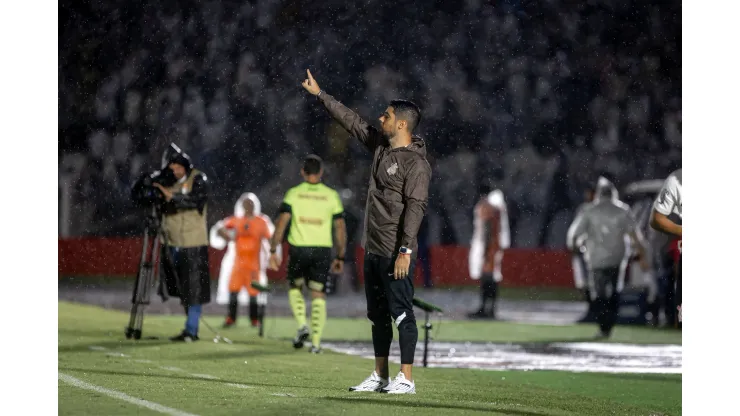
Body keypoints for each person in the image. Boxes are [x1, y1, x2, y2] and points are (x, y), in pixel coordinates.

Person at [302, 69, 431, 394]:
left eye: (386, 115)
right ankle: (380, 375)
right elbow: (352, 121)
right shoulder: (380, 146)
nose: (380, 118)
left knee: (401, 313)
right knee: (377, 316)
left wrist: (406, 250)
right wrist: (321, 95)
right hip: (373, 247)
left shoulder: (416, 165)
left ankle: (407, 379)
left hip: (395, 251)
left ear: (401, 124)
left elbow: (416, 208)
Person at [268, 155, 346, 354]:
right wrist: (340, 256)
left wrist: (273, 249)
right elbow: (339, 227)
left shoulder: (293, 194)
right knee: (318, 294)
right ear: (321, 173)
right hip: (321, 250)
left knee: (295, 286)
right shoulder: (331, 196)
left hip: (299, 248)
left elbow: (282, 223)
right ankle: (316, 343)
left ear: (302, 172)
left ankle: (302, 324)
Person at [566, 176, 649, 338]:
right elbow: (635, 235)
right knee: (615, 290)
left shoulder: (589, 210)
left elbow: (575, 234)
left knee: (599, 293)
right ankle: (609, 324)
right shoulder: (623, 210)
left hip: (596, 258)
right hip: (618, 257)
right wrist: (641, 254)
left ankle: (603, 325)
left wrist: (577, 247)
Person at [151, 143, 211, 342]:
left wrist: (172, 196)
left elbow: (196, 201)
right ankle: (189, 327)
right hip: (172, 242)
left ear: (185, 166)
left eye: (177, 167)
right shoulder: (169, 181)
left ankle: (191, 330)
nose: (174, 171)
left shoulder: (199, 179)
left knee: (193, 287)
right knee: (181, 288)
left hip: (193, 243)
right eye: (172, 168)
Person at [210, 192, 276, 328]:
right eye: (246, 203)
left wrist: (272, 255)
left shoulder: (261, 222)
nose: (248, 206)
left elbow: (269, 239)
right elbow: (219, 229)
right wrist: (227, 235)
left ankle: (254, 319)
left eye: (250, 203)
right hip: (238, 263)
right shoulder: (236, 221)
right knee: (233, 291)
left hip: (253, 264)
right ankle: (231, 318)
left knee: (253, 293)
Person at [467, 185, 511, 319]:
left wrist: (486, 250)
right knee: (491, 278)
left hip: (488, 246)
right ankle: (489, 308)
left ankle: (486, 308)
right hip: (493, 246)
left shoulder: (487, 207)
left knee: (488, 278)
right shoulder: (497, 207)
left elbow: (487, 229)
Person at [649, 168, 682, 323]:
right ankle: (666, 316)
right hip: (666, 252)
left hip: (666, 251)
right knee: (665, 286)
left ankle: (665, 316)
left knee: (664, 286)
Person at [570, 184, 597, 323]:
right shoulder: (584, 209)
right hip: (584, 250)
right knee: (584, 282)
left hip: (595, 251)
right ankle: (591, 310)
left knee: (594, 282)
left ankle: (595, 311)